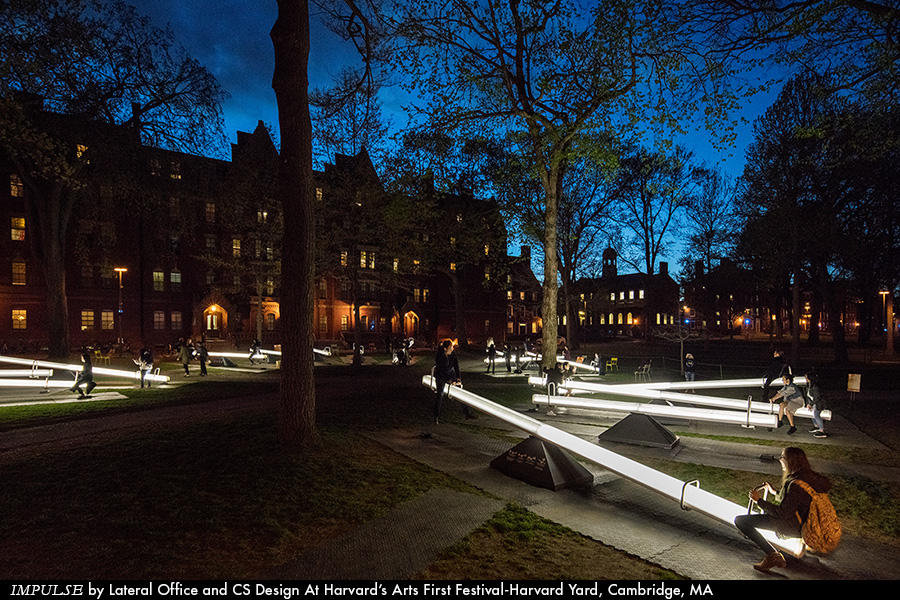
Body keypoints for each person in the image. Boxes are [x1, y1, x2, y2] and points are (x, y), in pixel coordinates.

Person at [734, 447, 832, 572]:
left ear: (791, 461)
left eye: (782, 457)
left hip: (794, 525)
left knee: (741, 521)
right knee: (766, 515)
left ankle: (773, 556)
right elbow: (794, 499)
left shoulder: (795, 483)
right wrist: (774, 492)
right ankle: (802, 542)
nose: (780, 460)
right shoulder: (807, 478)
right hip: (809, 523)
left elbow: (782, 513)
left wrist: (759, 501)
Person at [433, 339, 473, 424]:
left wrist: (458, 379)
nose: (452, 349)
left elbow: (456, 365)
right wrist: (451, 381)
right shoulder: (440, 356)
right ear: (445, 348)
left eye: (452, 347)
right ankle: (436, 416)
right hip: (441, 376)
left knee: (460, 391)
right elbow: (443, 370)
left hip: (450, 374)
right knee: (440, 395)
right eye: (450, 347)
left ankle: (467, 413)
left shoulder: (453, 354)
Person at [805, 370, 828, 438]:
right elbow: (809, 396)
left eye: (806, 377)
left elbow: (817, 398)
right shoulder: (809, 385)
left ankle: (822, 431)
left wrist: (811, 404)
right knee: (812, 414)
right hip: (814, 403)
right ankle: (816, 426)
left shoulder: (815, 387)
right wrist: (809, 404)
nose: (805, 379)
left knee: (816, 415)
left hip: (819, 403)